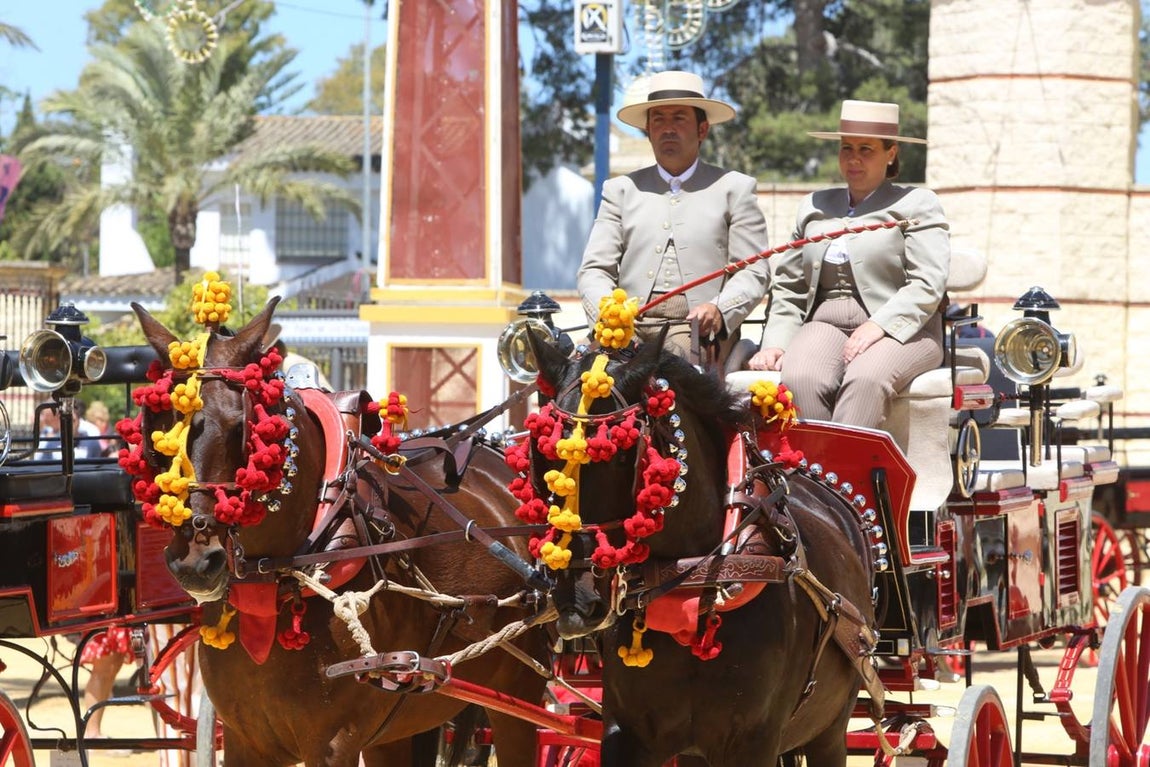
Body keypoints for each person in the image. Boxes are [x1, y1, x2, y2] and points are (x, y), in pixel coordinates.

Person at [748, 99, 949, 429]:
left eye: (866, 149)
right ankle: (817, 477)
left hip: (903, 330)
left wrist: (879, 325)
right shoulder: (814, 205)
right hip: (825, 323)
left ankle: (848, 478)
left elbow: (928, 282)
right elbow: (790, 287)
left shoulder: (917, 204)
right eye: (846, 148)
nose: (854, 159)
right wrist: (775, 343)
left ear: (891, 153)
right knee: (800, 378)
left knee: (865, 380)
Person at [577, 70, 770, 366]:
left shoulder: (735, 189)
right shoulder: (620, 191)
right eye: (658, 120)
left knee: (667, 373)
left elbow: (753, 271)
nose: (667, 129)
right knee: (575, 380)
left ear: (702, 130)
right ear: (648, 131)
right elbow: (594, 270)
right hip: (627, 330)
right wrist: (608, 316)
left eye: (679, 118)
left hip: (695, 332)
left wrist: (719, 309)